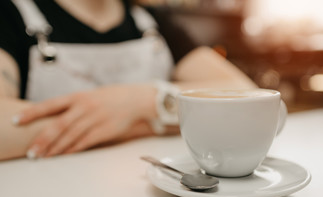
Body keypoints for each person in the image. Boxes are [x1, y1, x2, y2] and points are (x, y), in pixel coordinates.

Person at [0, 0, 257, 161]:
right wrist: (132, 122)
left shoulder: (154, 21)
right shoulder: (10, 15)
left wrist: (142, 102)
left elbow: (246, 96)